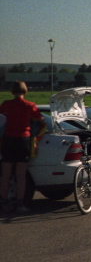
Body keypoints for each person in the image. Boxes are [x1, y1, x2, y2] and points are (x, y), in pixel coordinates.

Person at [0, 81, 47, 214]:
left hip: (8, 140)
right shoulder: (29, 105)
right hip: (23, 140)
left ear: (12, 91)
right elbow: (40, 119)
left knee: (5, 175)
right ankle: (20, 204)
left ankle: (4, 203)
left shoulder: (6, 104)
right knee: (21, 176)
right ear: (25, 91)